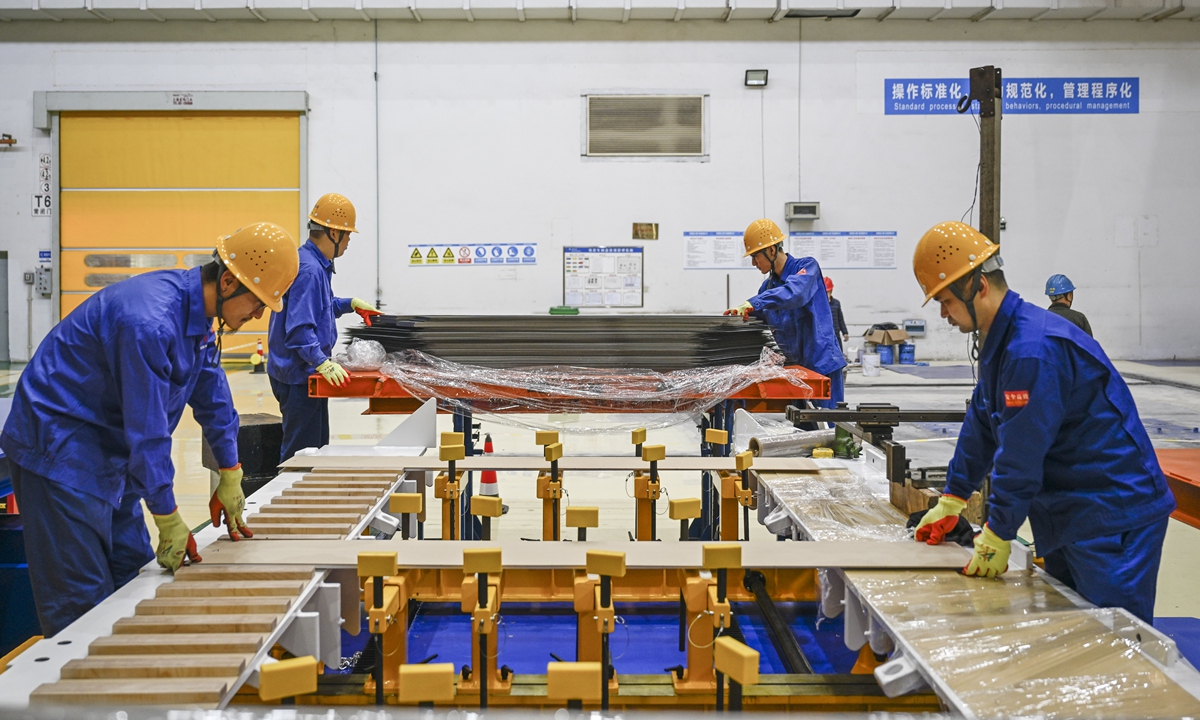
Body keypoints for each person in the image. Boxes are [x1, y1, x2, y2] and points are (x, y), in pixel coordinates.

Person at [0, 222, 300, 636]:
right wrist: (168, 515)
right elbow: (148, 430)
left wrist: (231, 470)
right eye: (258, 302)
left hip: (111, 453)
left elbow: (211, 391)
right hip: (60, 450)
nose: (258, 315)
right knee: (82, 607)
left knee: (134, 578)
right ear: (228, 282)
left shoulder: (197, 316)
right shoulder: (150, 322)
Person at [912, 221, 1173, 624]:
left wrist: (998, 532)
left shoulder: (1031, 351)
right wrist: (954, 496)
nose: (943, 313)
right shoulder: (1001, 341)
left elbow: (1021, 453)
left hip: (1112, 513)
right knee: (1073, 629)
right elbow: (982, 422)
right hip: (1071, 509)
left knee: (1119, 640)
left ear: (978, 287)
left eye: (945, 301)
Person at [268, 193, 382, 462]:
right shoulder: (309, 270)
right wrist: (322, 362)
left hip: (304, 371)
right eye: (347, 234)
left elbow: (320, 306)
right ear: (333, 233)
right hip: (298, 376)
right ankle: (292, 488)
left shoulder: (314, 263)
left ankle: (304, 486)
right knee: (302, 454)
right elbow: (299, 329)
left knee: (317, 449)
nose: (349, 241)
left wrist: (350, 304)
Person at [724, 218, 846, 408]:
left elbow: (795, 293)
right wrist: (738, 317)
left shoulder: (807, 268)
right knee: (802, 423)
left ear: (772, 250)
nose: (754, 263)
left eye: (755, 256)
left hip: (822, 365)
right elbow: (760, 318)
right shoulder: (767, 288)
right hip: (795, 369)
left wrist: (753, 303)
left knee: (828, 423)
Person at [825, 276, 850, 353]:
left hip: (836, 335)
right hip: (824, 337)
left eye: (827, 292)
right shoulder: (818, 305)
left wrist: (845, 332)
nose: (826, 295)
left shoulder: (836, 303)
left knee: (838, 354)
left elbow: (840, 319)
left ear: (831, 291)